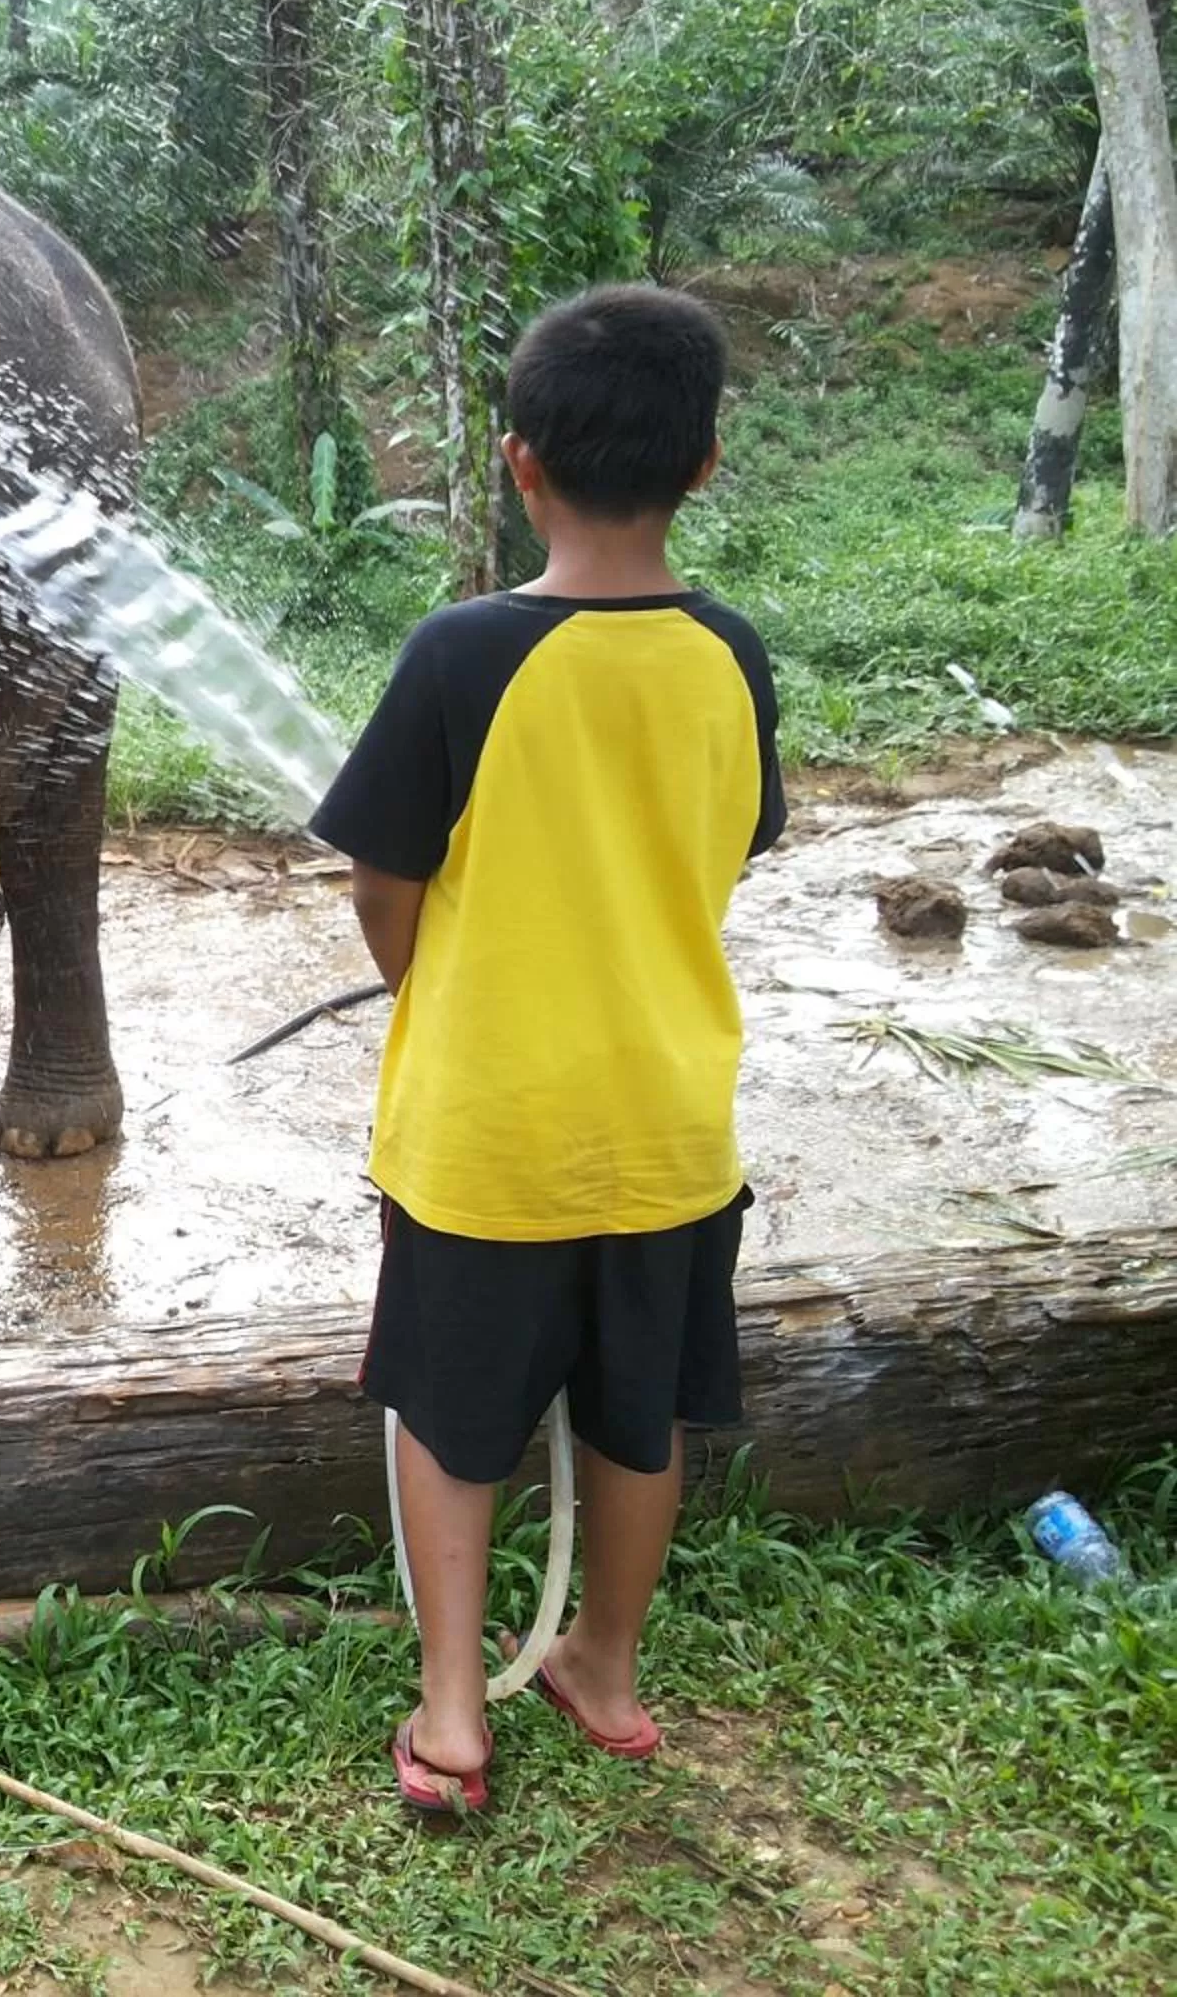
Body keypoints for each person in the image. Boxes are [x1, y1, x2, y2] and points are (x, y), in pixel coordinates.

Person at [307, 284, 783, 1817]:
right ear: (706, 462)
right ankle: (608, 1666)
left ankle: (455, 1712)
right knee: (640, 1413)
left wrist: (425, 982)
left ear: (518, 462)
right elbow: (724, 850)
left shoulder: (460, 654)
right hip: (666, 1125)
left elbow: (384, 882)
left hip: (486, 1132)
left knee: (452, 1416)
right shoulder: (732, 655)